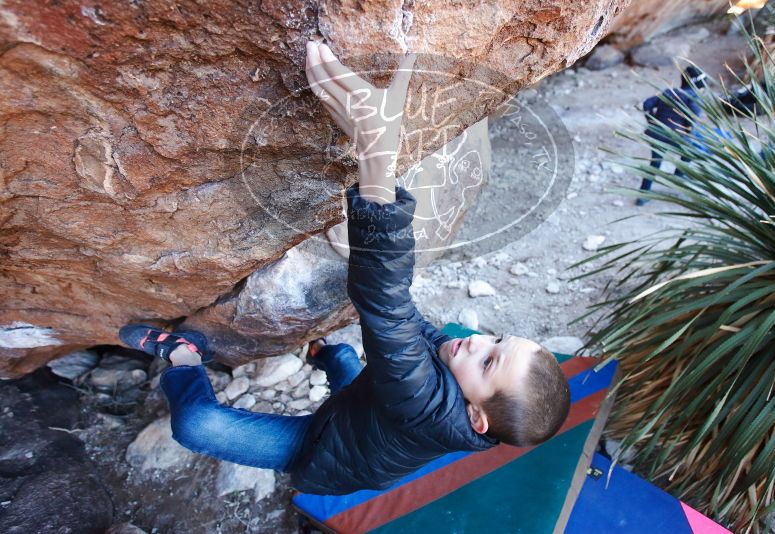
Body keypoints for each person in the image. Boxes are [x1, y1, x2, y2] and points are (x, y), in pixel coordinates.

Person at [118, 40, 571, 496]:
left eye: (489, 359)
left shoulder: (422, 403)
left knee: (196, 424)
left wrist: (377, 160)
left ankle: (184, 355)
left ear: (476, 417)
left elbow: (387, 308)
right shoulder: (453, 384)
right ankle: (320, 354)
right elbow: (405, 321)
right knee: (344, 363)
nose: (476, 341)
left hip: (317, 451)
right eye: (494, 338)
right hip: (362, 414)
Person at [637, 65, 709, 206]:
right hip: (675, 136)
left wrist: (651, 120)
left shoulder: (669, 92)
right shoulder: (693, 97)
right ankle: (679, 178)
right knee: (691, 152)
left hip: (656, 133)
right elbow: (692, 118)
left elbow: (646, 104)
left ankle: (642, 195)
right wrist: (688, 130)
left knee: (655, 163)